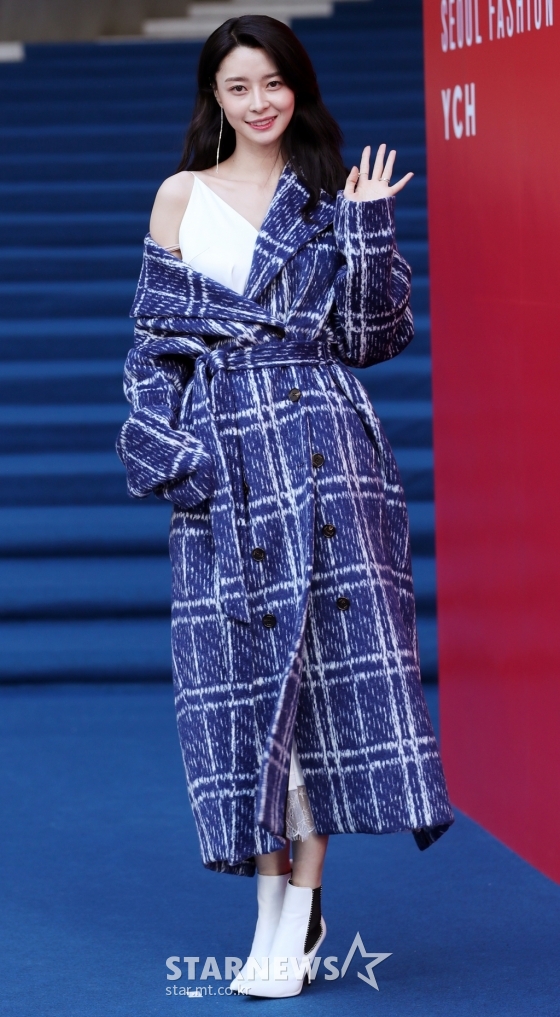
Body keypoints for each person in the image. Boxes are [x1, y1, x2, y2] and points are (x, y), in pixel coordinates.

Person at [117, 14, 453, 999]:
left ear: (295, 88)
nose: (258, 102)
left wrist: (368, 227)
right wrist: (172, 455)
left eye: (272, 82)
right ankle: (268, 900)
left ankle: (300, 904)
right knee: (240, 681)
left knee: (323, 682)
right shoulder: (180, 195)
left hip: (324, 454)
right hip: (225, 460)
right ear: (214, 99)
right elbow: (153, 351)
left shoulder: (326, 197)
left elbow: (370, 338)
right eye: (238, 86)